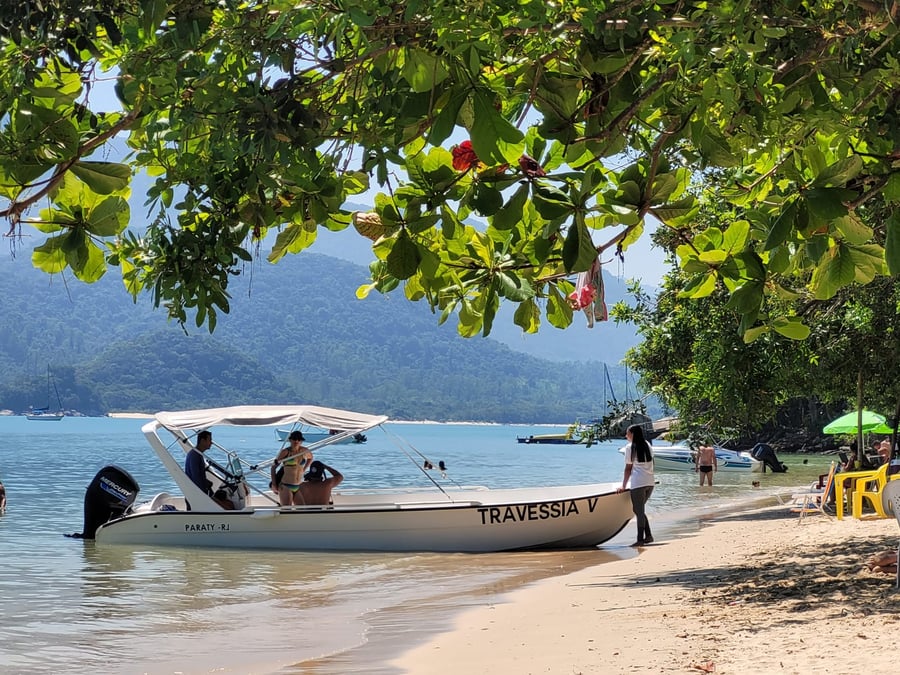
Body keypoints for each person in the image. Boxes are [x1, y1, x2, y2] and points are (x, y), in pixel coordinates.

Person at [616, 424, 655, 546]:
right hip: (650, 482)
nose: (626, 436)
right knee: (639, 510)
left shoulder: (630, 447)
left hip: (638, 483)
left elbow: (628, 468)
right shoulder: (647, 445)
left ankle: (640, 539)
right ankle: (648, 536)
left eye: (627, 433)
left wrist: (623, 485)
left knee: (638, 510)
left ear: (632, 434)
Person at [272, 430, 313, 506]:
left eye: (299, 439)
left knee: (302, 509)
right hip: (286, 485)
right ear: (290, 440)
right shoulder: (285, 452)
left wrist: (304, 469)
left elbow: (310, 458)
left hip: (297, 486)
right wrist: (274, 484)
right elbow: (273, 467)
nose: (296, 441)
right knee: (286, 509)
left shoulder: (304, 451)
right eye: (294, 439)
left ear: (301, 441)